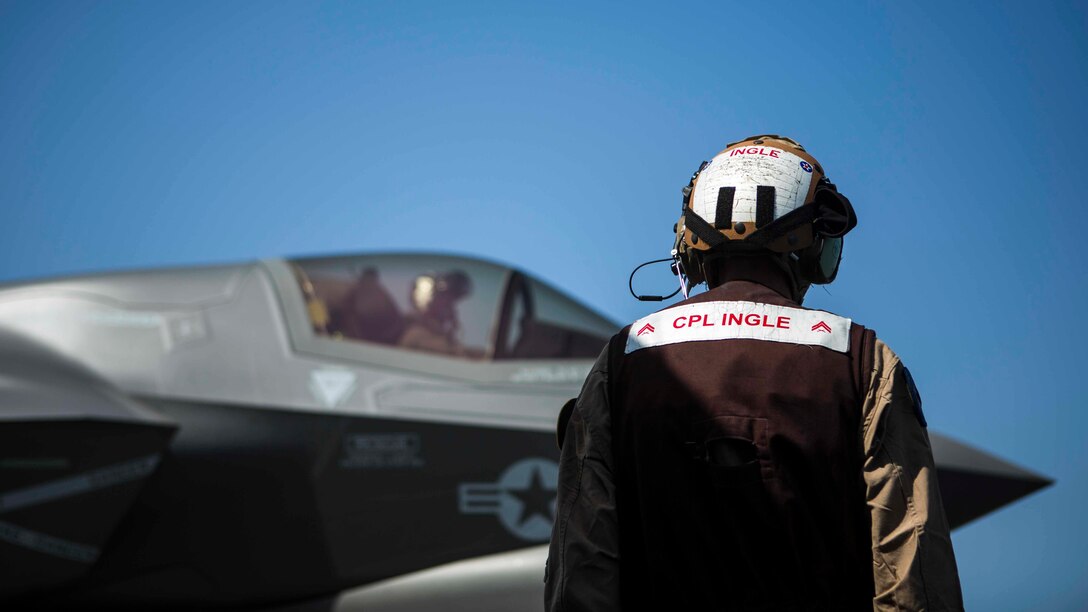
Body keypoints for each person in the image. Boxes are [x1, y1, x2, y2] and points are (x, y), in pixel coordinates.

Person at [545, 135, 963, 611]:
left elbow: (583, 562)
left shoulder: (625, 359)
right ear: (813, 242)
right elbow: (912, 565)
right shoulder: (861, 359)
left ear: (690, 240)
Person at [398, 270, 479, 357]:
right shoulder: (417, 335)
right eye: (445, 299)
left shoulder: (438, 334)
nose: (450, 307)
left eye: (451, 301)